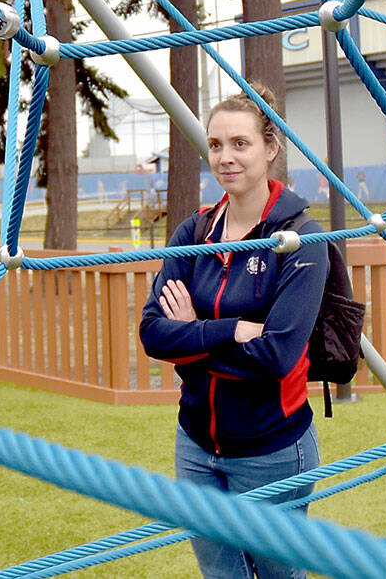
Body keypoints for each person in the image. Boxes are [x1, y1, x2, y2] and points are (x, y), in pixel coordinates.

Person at [139, 85, 327, 579]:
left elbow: (277, 357)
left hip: (273, 449)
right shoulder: (193, 232)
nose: (226, 157)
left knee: (277, 575)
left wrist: (193, 334)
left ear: (270, 148)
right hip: (196, 443)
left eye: (240, 144)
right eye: (216, 144)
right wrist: (230, 330)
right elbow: (153, 334)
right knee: (222, 575)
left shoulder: (302, 241)